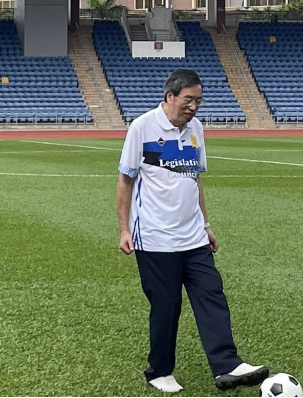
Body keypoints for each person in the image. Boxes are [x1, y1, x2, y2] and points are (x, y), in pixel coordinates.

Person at [116, 69, 268, 394]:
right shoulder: (142, 127)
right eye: (188, 100)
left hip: (194, 237)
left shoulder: (196, 128)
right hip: (155, 238)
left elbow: (194, 181)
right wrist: (124, 229)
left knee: (212, 295)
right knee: (167, 305)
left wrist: (206, 225)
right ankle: (159, 371)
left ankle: (227, 364)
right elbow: (125, 180)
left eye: (199, 100)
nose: (194, 107)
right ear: (170, 96)